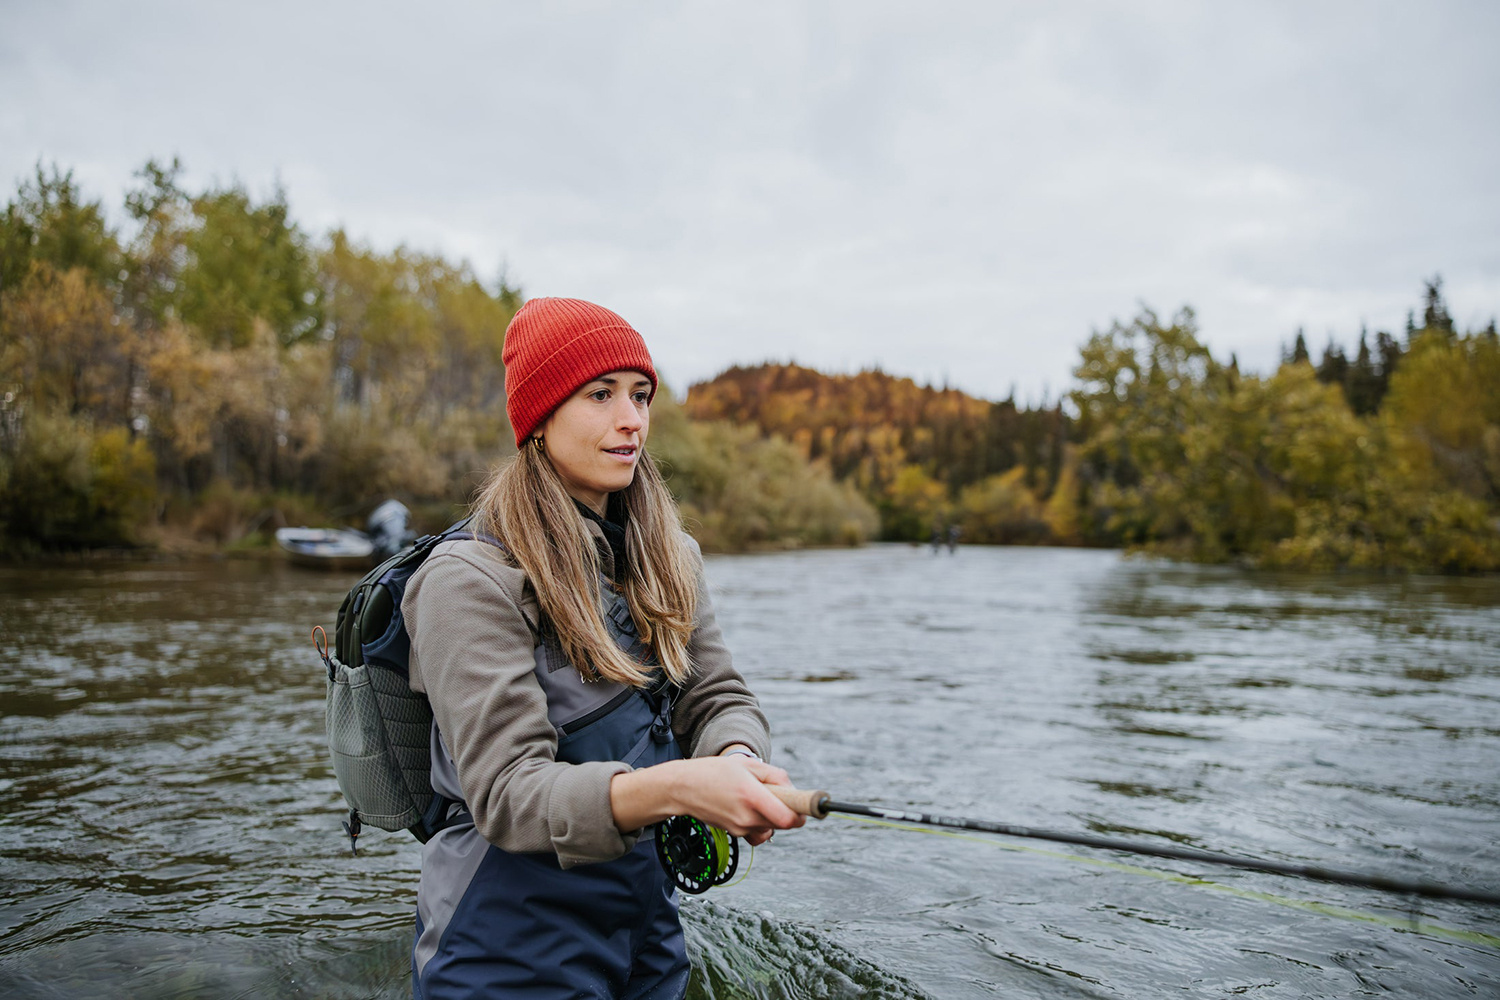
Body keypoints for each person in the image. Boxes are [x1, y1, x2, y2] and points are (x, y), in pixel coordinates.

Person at [401, 297, 804, 999]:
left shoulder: (674, 556)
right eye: (601, 394)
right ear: (540, 417)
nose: (632, 419)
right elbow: (509, 793)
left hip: (647, 930)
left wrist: (736, 758)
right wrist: (683, 788)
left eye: (641, 395)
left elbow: (717, 698)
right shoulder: (466, 580)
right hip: (502, 945)